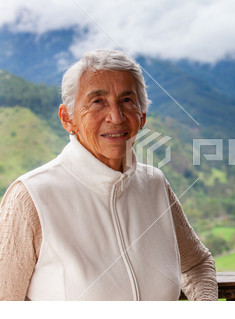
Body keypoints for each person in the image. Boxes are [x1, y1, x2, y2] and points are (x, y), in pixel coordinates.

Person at [0, 49, 218, 300]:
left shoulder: (155, 184)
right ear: (67, 118)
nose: (115, 117)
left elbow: (197, 264)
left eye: (127, 100)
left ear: (142, 116)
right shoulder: (31, 198)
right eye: (97, 101)